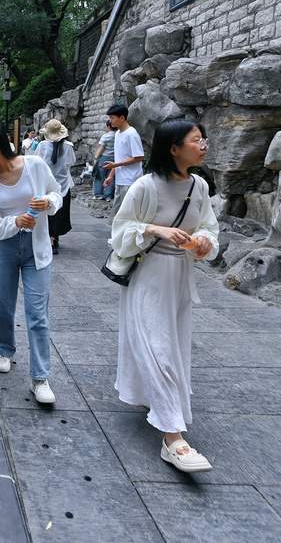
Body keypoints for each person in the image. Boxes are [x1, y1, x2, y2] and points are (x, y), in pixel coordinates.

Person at [111, 119, 218, 473]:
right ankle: (173, 437)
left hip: (180, 277)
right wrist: (154, 228)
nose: (203, 145)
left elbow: (207, 226)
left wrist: (203, 241)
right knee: (158, 348)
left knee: (173, 346)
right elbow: (120, 232)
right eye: (196, 140)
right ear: (173, 148)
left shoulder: (199, 186)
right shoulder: (145, 186)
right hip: (149, 276)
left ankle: (156, 401)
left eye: (203, 139)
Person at [0, 123, 63, 404]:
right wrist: (15, 221)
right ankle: (4, 350)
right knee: (3, 304)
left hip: (36, 248)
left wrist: (46, 203)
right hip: (5, 247)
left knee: (37, 314)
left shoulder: (34, 165)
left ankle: (40, 378)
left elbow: (56, 192)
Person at [36, 119, 76, 255]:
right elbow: (71, 163)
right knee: (60, 212)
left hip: (46, 184)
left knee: (47, 211)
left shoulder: (42, 145)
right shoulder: (69, 146)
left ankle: (49, 238)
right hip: (63, 185)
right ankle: (55, 237)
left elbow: (37, 162)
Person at [103, 104, 144, 216]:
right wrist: (111, 175)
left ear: (122, 118)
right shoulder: (117, 134)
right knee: (118, 214)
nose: (110, 121)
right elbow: (118, 158)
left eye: (112, 118)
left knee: (129, 214)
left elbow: (139, 157)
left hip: (131, 180)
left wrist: (116, 165)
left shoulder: (131, 134)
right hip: (120, 180)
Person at [93, 120, 116, 201]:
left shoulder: (106, 136)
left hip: (104, 158)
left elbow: (101, 148)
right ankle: (108, 196)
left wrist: (96, 158)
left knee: (99, 176)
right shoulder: (117, 135)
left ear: (108, 126)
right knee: (111, 177)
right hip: (114, 159)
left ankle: (99, 194)